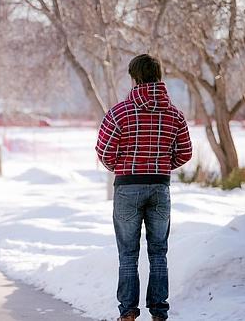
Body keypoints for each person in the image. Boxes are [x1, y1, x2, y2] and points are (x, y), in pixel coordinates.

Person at [95, 54, 192, 321]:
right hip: (160, 187)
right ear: (159, 76)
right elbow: (185, 153)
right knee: (158, 252)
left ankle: (128, 311)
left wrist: (122, 166)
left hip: (127, 187)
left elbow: (104, 151)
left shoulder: (119, 112)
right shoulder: (175, 114)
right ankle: (159, 311)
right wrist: (162, 164)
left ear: (134, 77)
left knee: (128, 253)